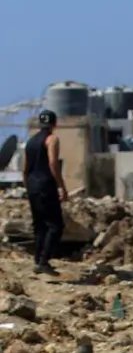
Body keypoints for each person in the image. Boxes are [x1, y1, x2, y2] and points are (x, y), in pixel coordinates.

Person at [21, 110, 66, 276]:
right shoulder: (52, 139)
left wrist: (28, 187)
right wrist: (61, 186)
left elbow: (24, 169)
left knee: (39, 225)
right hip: (46, 185)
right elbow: (53, 163)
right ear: (54, 124)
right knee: (55, 225)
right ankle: (43, 261)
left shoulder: (30, 142)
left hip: (33, 186)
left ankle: (38, 260)